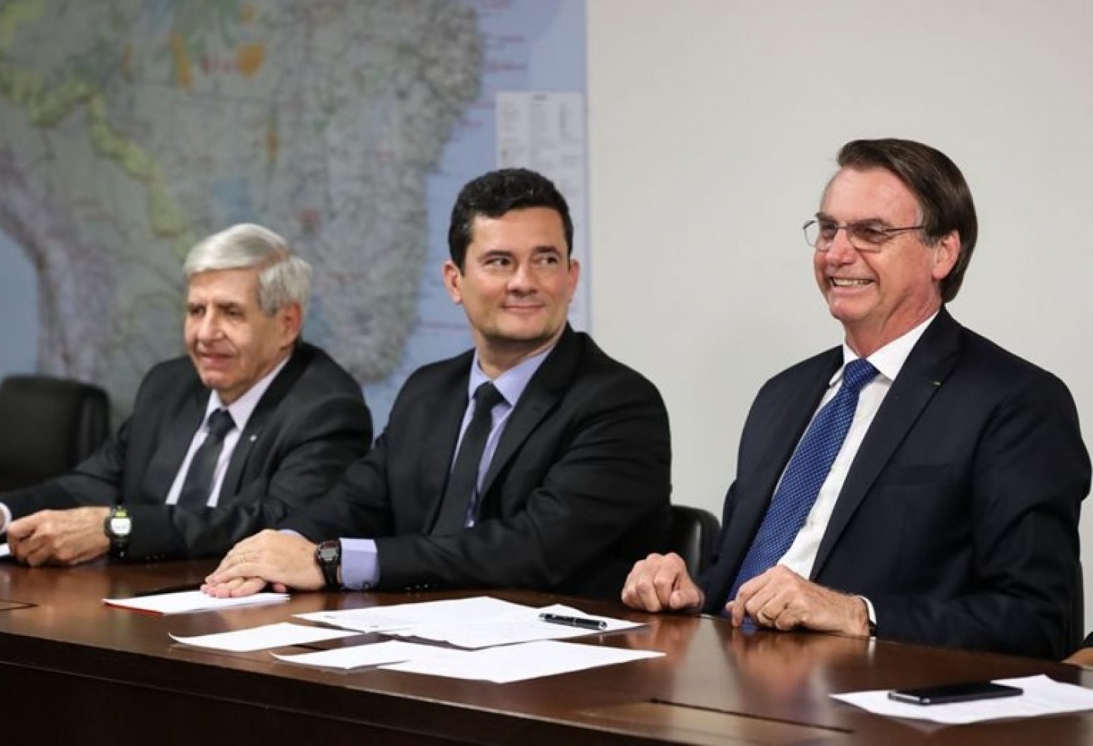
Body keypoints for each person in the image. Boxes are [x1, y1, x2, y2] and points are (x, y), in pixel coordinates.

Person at [622, 138, 1089, 660]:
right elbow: (739, 580)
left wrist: (860, 615)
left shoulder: (1016, 402)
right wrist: (690, 594)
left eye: (871, 233)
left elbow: (1035, 619)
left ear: (943, 252)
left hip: (871, 694)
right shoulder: (782, 395)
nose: (836, 254)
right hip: (735, 679)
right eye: (828, 230)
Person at [203, 167, 671, 600]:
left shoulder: (620, 405)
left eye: (545, 260)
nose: (524, 282)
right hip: (417, 633)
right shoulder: (428, 391)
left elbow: (533, 549)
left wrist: (333, 562)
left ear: (570, 278)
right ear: (454, 281)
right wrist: (278, 548)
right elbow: (355, 503)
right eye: (500, 261)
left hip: (559, 646)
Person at [0, 224, 373, 565]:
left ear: (287, 324)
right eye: (196, 310)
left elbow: (276, 523)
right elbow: (93, 484)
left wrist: (118, 528)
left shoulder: (326, 408)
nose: (205, 333)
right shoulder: (169, 386)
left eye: (231, 313)